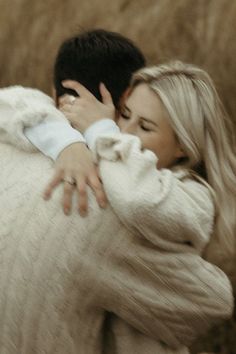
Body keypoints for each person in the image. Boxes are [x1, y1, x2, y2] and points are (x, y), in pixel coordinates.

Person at [0, 30, 233, 354]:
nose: (123, 134)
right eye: (123, 117)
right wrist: (78, 139)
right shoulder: (106, 198)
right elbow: (212, 302)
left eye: (145, 126)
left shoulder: (14, 142)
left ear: (184, 145)